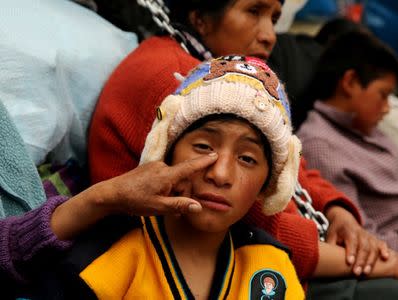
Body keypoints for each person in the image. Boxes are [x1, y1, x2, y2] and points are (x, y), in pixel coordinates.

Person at [88, 0, 392, 283]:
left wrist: (336, 209)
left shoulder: (227, 75)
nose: (270, 36)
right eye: (253, 12)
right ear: (200, 18)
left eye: (274, 18)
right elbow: (258, 223)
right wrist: (363, 261)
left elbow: (285, 160)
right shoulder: (177, 81)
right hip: (153, 266)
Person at [36, 56, 306, 299]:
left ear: (269, 183)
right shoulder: (107, 254)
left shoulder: (271, 267)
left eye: (247, 159)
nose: (220, 174)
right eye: (203, 146)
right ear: (166, 151)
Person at [297, 30, 398, 293]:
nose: (387, 107)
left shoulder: (367, 129)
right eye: (383, 94)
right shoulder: (321, 146)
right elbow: (366, 240)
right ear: (350, 82)